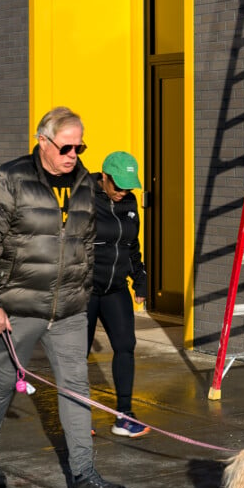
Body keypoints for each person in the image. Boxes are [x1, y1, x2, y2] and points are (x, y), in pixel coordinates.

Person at [0, 106, 126, 488]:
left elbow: (88, 241)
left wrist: (83, 288)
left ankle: (84, 476)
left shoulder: (86, 184)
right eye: (66, 146)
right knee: (2, 382)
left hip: (70, 309)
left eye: (80, 146)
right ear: (43, 141)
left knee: (76, 388)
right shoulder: (11, 178)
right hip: (18, 306)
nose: (74, 154)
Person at [88, 151, 150, 438]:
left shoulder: (129, 202)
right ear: (104, 177)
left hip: (115, 288)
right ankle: (78, 418)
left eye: (127, 186)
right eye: (118, 186)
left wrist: (141, 280)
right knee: (77, 355)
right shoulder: (83, 197)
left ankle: (124, 415)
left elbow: (131, 244)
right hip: (84, 289)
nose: (122, 191)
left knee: (125, 345)